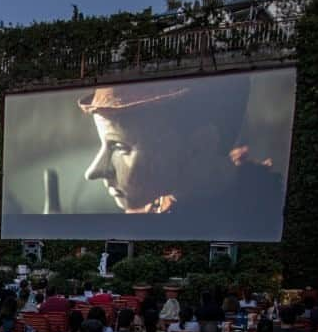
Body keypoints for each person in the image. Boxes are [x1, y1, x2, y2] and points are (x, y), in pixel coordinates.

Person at [78, 78, 284, 240]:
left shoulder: (267, 216)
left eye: (120, 146)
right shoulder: (148, 209)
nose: (93, 171)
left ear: (199, 147)